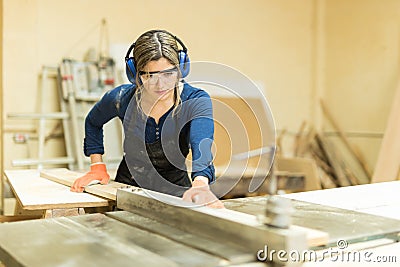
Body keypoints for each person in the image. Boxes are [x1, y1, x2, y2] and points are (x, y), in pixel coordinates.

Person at [70, 29, 224, 208]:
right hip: (128, 188)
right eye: (149, 75)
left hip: (176, 190)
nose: (160, 85)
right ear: (135, 73)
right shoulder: (122, 99)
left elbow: (201, 145)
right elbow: (93, 122)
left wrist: (200, 185)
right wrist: (97, 167)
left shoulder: (195, 100)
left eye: (168, 74)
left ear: (181, 68)